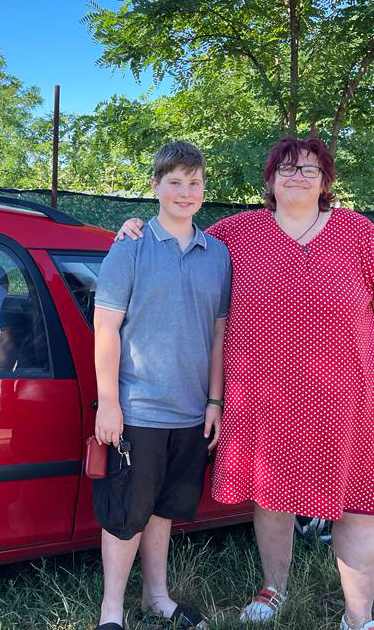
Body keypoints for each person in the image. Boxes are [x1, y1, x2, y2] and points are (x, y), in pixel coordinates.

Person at [117, 136, 374, 630]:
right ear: (269, 180)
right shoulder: (238, 233)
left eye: (309, 169)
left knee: (361, 504)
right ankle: (274, 588)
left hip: (350, 393)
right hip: (264, 394)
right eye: (286, 168)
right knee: (272, 494)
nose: (297, 176)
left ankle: (359, 618)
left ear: (326, 181)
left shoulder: (359, 232)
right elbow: (183, 236)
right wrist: (133, 227)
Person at [93, 140, 231, 630]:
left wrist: (214, 400)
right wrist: (108, 404)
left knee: (162, 511)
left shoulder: (218, 254)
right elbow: (105, 326)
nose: (185, 191)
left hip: (192, 411)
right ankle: (112, 612)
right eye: (175, 181)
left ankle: (157, 597)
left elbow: (218, 334)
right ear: (155, 186)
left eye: (194, 182)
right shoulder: (129, 246)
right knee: (126, 512)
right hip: (138, 409)